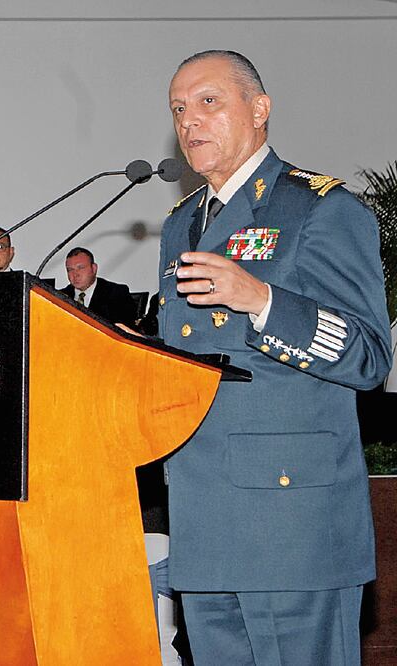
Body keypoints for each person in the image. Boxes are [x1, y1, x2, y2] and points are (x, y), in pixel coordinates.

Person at [160, 50, 392, 664]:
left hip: (291, 527)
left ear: (259, 109)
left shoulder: (320, 208)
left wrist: (261, 301)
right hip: (204, 517)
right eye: (179, 109)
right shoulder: (180, 224)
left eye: (209, 101)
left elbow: (370, 357)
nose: (189, 120)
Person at [62, 247, 138, 327]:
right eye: (70, 270)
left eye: (81, 268)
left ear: (94, 268)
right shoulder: (60, 296)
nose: (75, 274)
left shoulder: (116, 293)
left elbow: (125, 329)